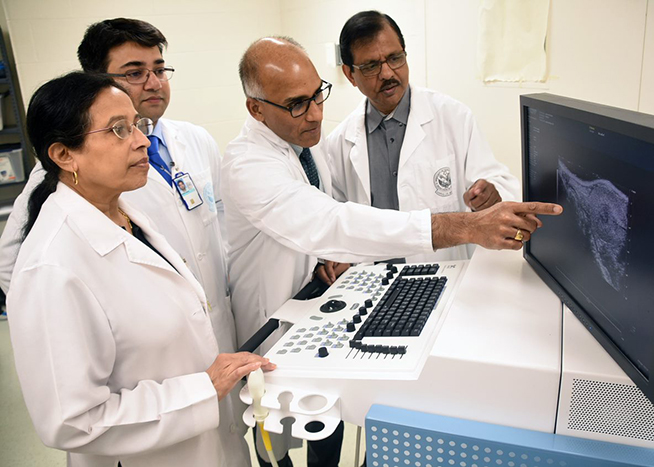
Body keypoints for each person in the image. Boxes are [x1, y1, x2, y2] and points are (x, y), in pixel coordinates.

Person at [222, 36, 561, 466]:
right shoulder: (248, 165)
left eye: (317, 96)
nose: (315, 113)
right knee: (280, 444)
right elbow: (329, 220)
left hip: (325, 309)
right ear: (256, 108)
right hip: (273, 330)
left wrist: (331, 257)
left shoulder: (304, 144)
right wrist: (463, 225)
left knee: (331, 423)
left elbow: (329, 217)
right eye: (296, 104)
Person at [7, 71, 274, 467]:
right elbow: (70, 422)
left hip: (207, 443)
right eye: (118, 130)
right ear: (64, 154)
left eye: (137, 124)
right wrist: (203, 389)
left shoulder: (128, 217)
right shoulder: (52, 267)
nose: (142, 140)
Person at [0, 18, 236, 357]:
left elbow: (221, 219)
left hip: (217, 322)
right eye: (135, 72)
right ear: (97, 82)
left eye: (159, 69)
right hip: (148, 349)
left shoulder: (195, 139)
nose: (154, 83)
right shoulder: (68, 168)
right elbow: (14, 264)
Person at [328, 10, 521, 262]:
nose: (387, 73)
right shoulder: (338, 143)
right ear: (349, 74)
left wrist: (490, 197)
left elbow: (497, 182)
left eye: (395, 58)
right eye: (371, 66)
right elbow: (334, 219)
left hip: (443, 272)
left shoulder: (453, 117)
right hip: (373, 280)